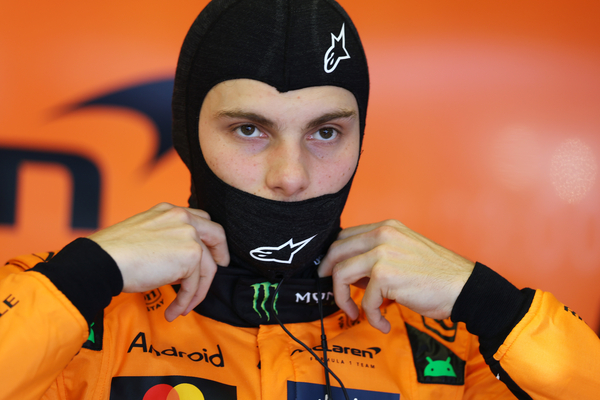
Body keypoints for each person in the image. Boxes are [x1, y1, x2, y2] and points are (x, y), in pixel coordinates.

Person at [1, 0, 599, 399]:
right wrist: (87, 275)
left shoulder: (447, 347)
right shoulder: (76, 313)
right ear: (188, 133)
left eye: (326, 132)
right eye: (249, 129)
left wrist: (490, 305)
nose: (290, 176)